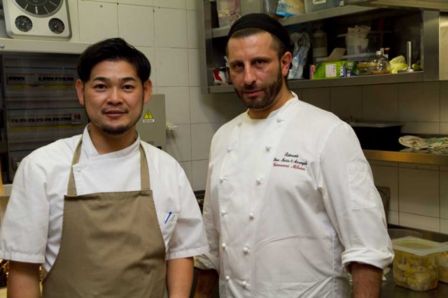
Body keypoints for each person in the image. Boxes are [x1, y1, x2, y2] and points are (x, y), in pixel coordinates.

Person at [194, 13, 394, 298]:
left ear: (285, 63)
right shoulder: (222, 137)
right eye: (237, 67)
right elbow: (211, 246)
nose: (248, 78)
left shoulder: (328, 133)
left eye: (259, 63)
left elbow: (367, 250)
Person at [0, 37, 208, 298]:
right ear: (80, 91)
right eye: (101, 86)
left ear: (145, 92)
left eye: (127, 86)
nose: (114, 98)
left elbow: (180, 252)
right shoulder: (41, 167)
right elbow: (23, 269)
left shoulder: (167, 169)